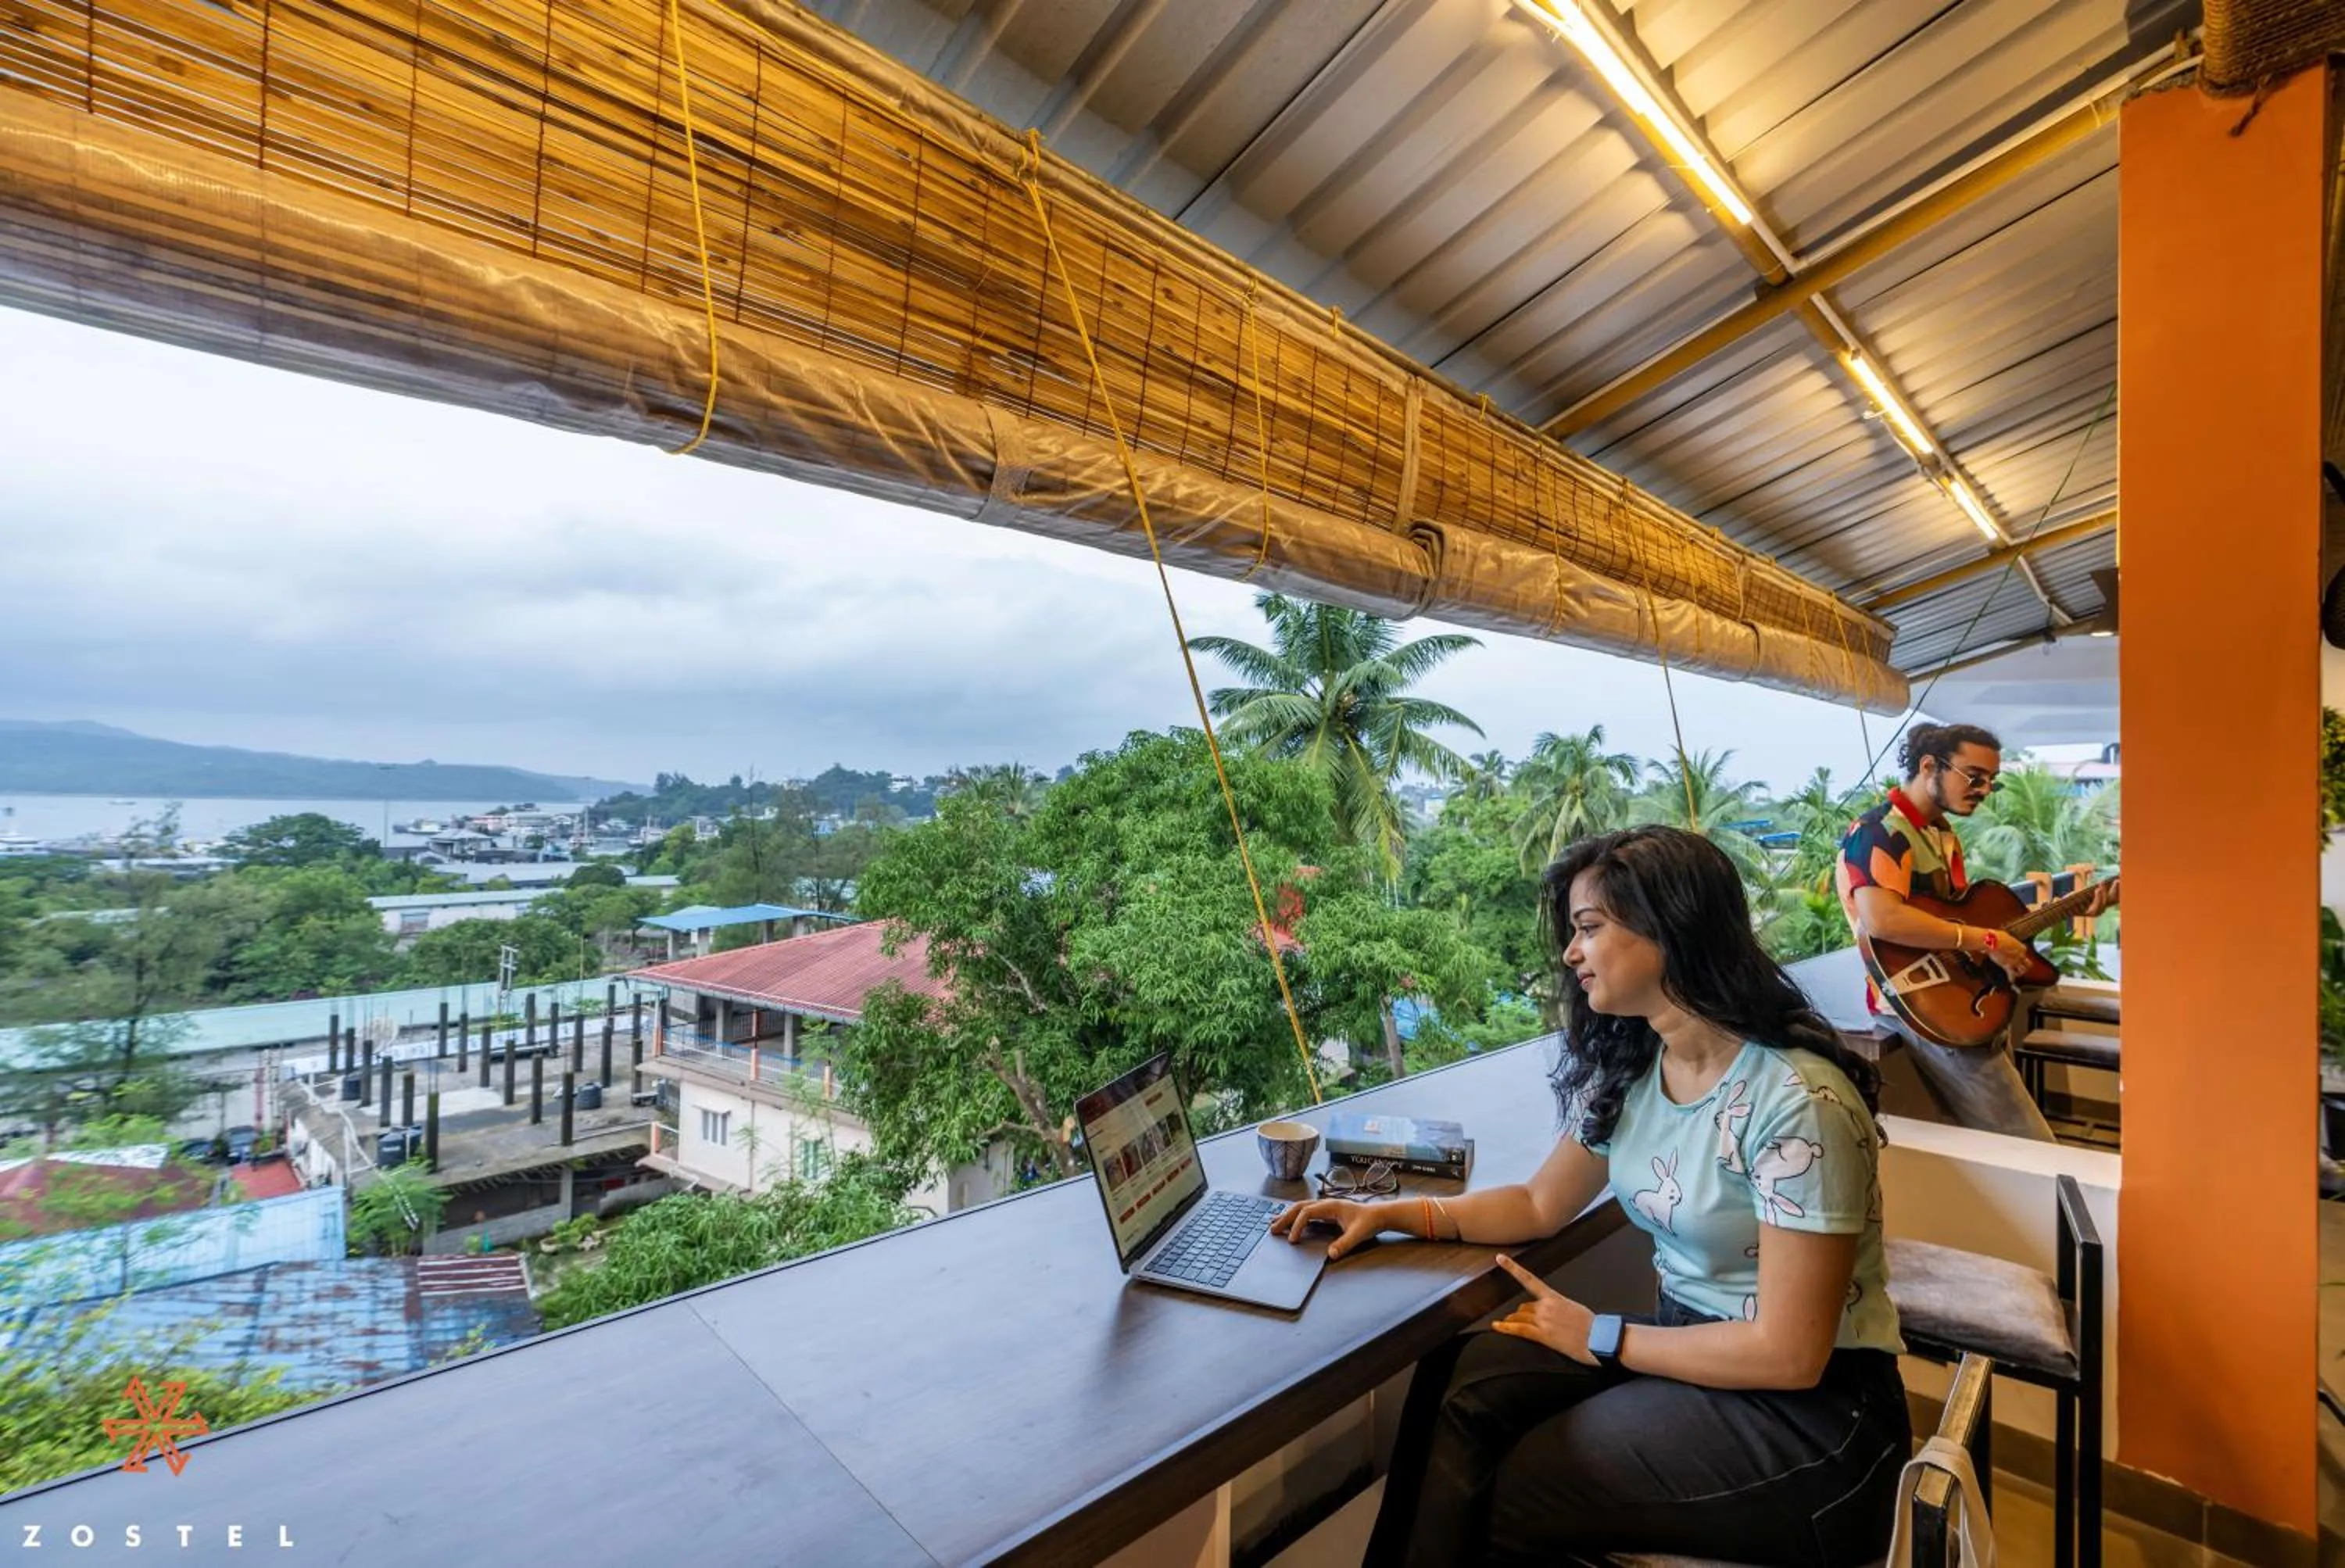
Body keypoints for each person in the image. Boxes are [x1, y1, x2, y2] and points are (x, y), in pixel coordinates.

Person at [1271, 826, 1908, 1567]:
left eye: (1589, 929)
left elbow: (1790, 1352)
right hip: (1695, 1347)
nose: (1572, 954)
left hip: (1816, 1418)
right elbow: (1539, 1204)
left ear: (1669, 928)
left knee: (1512, 1488)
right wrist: (1389, 1214)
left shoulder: (1797, 1100)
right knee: (1460, 1381)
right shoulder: (1642, 1065)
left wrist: (1600, 1335)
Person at [1835, 721, 2117, 1140]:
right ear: (1929, 766)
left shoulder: (1940, 834)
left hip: (1963, 995)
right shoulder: (1880, 832)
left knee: (1999, 1143)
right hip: (1920, 1003)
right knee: (2031, 1145)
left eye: (1991, 781)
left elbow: (1961, 918)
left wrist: (2075, 906)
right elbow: (1882, 920)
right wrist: (1987, 941)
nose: (1984, 789)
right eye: (1974, 776)